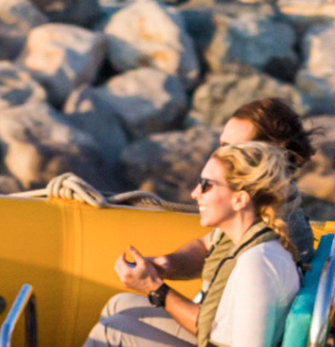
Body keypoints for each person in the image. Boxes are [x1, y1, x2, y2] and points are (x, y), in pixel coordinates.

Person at [66, 138, 303, 347]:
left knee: (111, 335)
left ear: (240, 199)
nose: (194, 193)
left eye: (206, 185)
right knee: (120, 306)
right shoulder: (250, 242)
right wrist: (164, 267)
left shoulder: (256, 265)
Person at [127, 99, 318, 289]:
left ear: (272, 152)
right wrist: (168, 264)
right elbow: (208, 245)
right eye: (221, 145)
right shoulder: (251, 202)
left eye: (232, 148)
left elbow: (221, 318)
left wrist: (156, 290)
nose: (218, 156)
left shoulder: (267, 231)